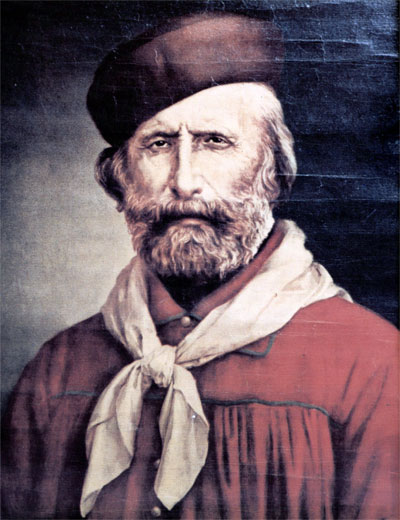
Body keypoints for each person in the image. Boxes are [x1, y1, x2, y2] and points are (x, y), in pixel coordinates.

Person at [2, 13, 398, 520]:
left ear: (273, 173)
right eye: (159, 144)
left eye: (215, 141)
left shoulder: (371, 363)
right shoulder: (57, 370)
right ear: (120, 181)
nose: (184, 180)